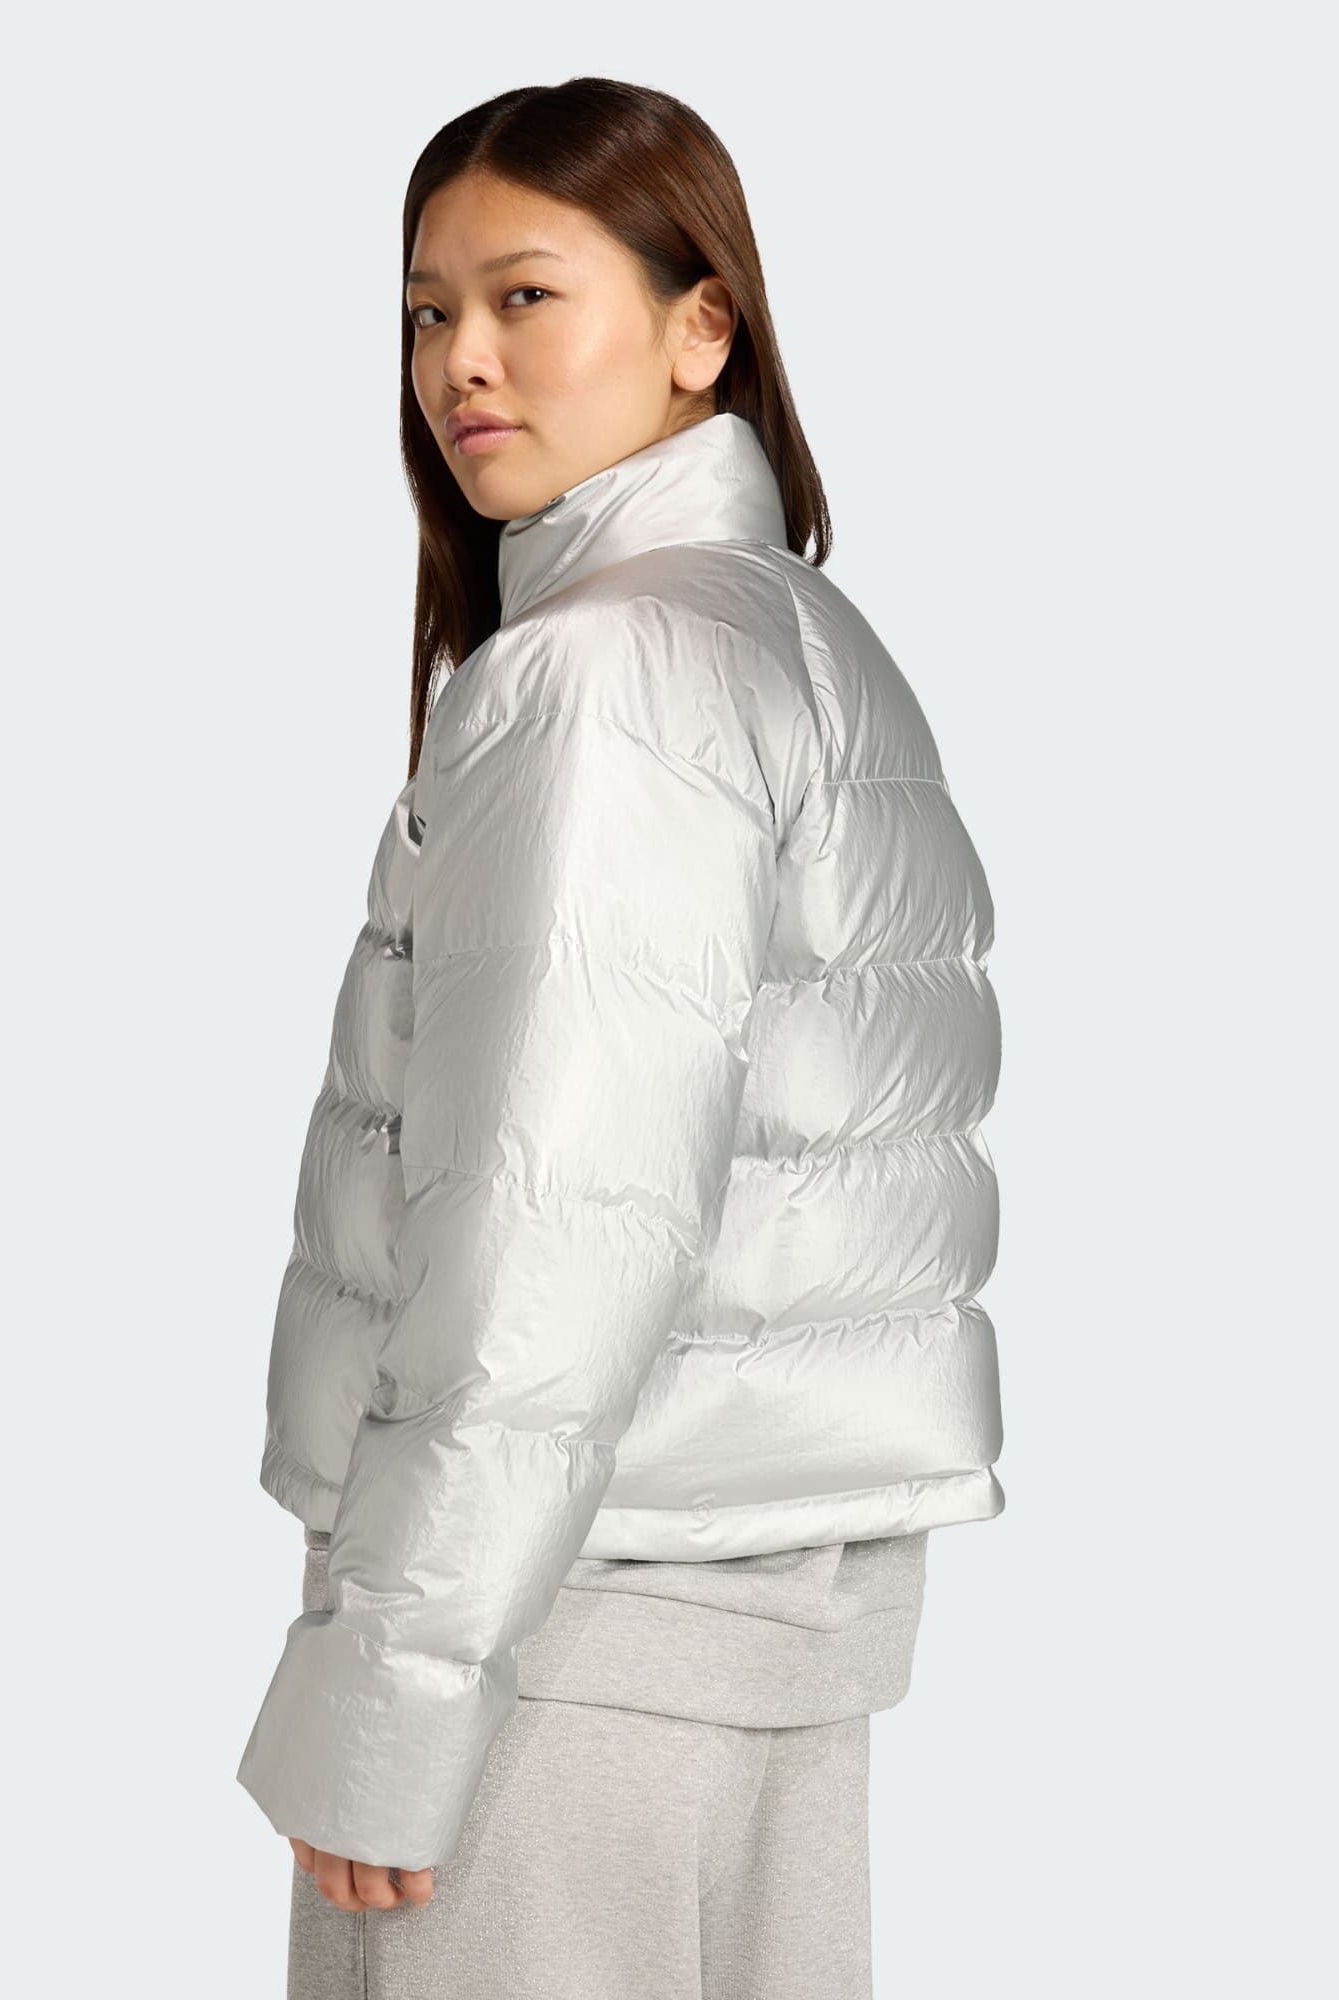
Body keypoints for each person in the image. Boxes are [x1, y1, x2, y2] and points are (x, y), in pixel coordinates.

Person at [235, 76, 1007, 1999]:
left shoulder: (604, 676)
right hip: (749, 1623)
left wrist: (401, 1682)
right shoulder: (791, 639)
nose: (459, 361)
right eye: (427, 310)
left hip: (558, 1645)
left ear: (701, 326)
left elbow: (553, 1225)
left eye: (524, 296)